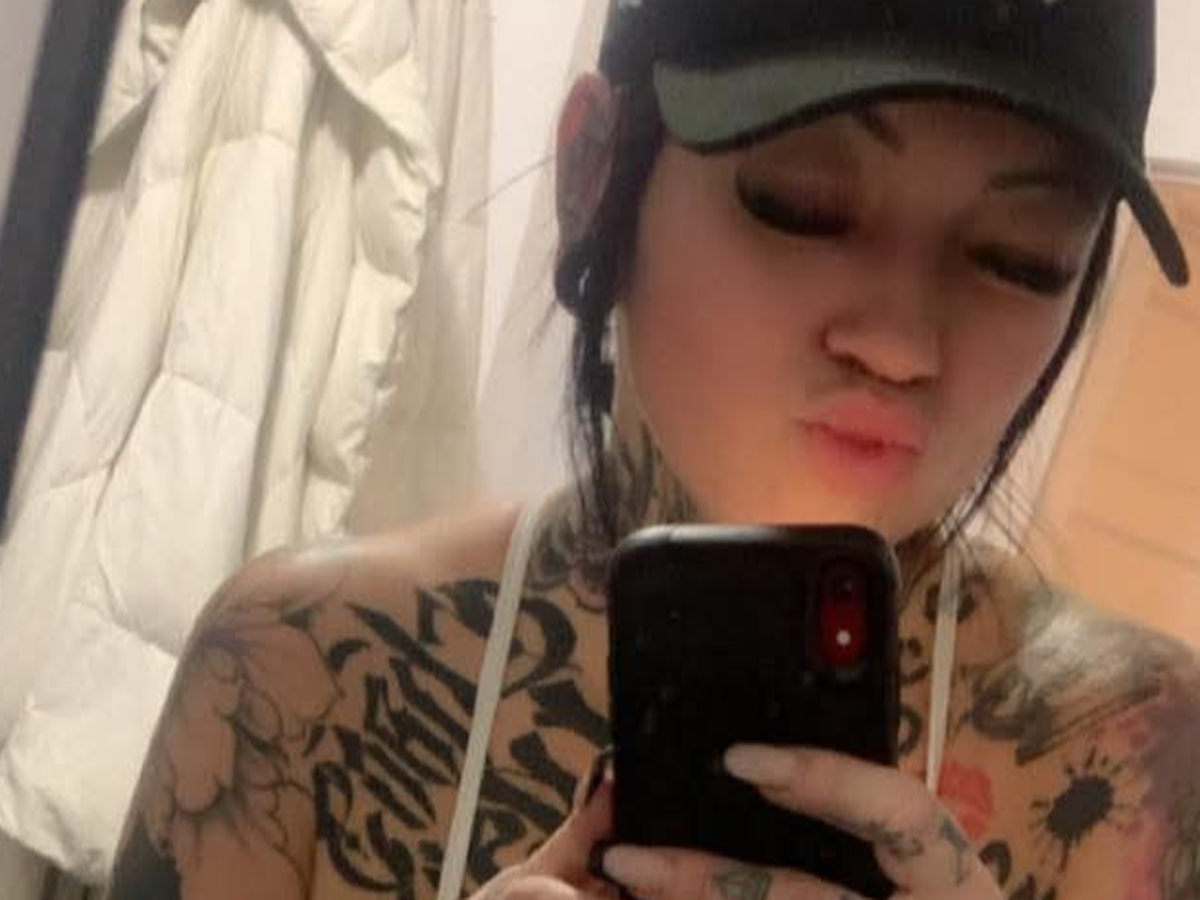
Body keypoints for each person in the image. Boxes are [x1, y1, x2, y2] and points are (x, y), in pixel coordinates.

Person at [106, 0, 1200, 898]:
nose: (902, 346)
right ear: (593, 169)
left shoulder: (1147, 761)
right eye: (803, 203)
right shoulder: (298, 677)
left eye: (1021, 256)